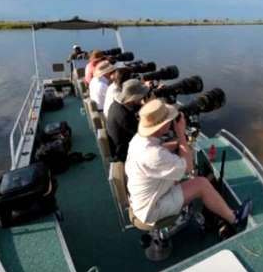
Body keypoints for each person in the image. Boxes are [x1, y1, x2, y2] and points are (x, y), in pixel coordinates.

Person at [125, 99, 252, 227]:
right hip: (151, 209)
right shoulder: (154, 155)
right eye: (169, 120)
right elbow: (188, 167)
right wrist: (181, 134)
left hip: (140, 200)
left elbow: (160, 149)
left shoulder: (139, 140)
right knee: (202, 184)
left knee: (185, 177)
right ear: (162, 125)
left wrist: (178, 144)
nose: (171, 121)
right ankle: (235, 219)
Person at [106, 79, 149, 161]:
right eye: (141, 96)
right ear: (134, 98)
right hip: (126, 154)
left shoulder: (116, 105)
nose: (143, 97)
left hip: (120, 145)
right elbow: (145, 136)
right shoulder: (124, 116)